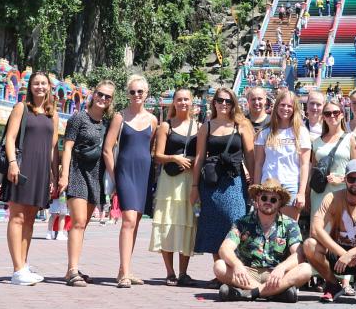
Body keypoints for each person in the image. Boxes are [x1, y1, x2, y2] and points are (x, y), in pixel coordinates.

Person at [1, 71, 59, 285]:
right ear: (30, 87)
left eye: (44, 84)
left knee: (31, 218)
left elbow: (54, 148)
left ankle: (24, 265)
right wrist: (12, 163)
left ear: (49, 87)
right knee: (17, 216)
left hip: (42, 170)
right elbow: (10, 138)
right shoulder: (21, 108)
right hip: (22, 166)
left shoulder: (53, 114)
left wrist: (55, 174)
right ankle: (17, 269)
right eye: (36, 83)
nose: (40, 87)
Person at [303, 160, 356, 303]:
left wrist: (351, 254)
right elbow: (316, 229)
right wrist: (342, 253)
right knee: (309, 245)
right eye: (351, 179)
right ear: (345, 180)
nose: (355, 183)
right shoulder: (331, 198)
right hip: (336, 253)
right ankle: (332, 284)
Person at [214, 178, 312, 301]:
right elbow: (225, 249)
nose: (268, 202)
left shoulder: (289, 224)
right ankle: (274, 293)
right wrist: (237, 265)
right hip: (247, 273)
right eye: (264, 198)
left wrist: (282, 268)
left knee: (306, 269)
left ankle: (245, 293)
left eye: (273, 199)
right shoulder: (242, 222)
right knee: (219, 266)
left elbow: (298, 255)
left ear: (280, 203)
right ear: (257, 200)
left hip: (275, 275)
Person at [191, 87, 256, 263]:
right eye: (220, 100)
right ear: (214, 103)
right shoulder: (207, 126)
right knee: (214, 224)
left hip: (234, 181)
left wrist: (255, 184)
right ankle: (220, 271)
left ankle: (234, 267)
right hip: (212, 183)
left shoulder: (241, 125)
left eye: (228, 101)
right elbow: (199, 157)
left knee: (234, 222)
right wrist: (195, 186)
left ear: (233, 103)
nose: (224, 104)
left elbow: (250, 156)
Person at [59, 81, 114, 286]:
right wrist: (64, 175)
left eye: (108, 97)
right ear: (93, 94)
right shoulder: (78, 118)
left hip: (96, 176)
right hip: (77, 172)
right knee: (78, 221)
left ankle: (71, 268)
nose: (103, 99)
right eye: (100, 94)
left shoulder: (106, 124)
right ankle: (73, 270)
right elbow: (68, 147)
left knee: (83, 225)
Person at [105, 74, 157, 288]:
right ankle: (124, 272)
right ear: (127, 94)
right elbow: (108, 149)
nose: (136, 95)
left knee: (134, 223)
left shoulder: (153, 120)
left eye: (140, 92)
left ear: (146, 94)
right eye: (132, 91)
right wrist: (114, 176)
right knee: (128, 220)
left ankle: (124, 269)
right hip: (124, 171)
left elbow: (152, 149)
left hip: (144, 173)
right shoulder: (120, 117)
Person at [150, 87, 199, 286]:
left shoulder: (199, 126)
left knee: (187, 223)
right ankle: (170, 272)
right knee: (167, 222)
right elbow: (157, 156)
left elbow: (201, 156)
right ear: (174, 103)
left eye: (186, 99)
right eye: (179, 99)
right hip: (170, 181)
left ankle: (184, 272)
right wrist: (175, 158)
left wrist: (193, 161)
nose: (183, 103)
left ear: (192, 102)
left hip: (189, 180)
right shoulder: (166, 126)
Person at [254, 89, 311, 220]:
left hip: (290, 186)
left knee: (288, 230)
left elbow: (304, 165)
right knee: (266, 227)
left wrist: (302, 192)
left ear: (295, 108)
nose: (285, 108)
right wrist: (256, 191)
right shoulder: (264, 132)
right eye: (282, 105)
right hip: (268, 185)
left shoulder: (301, 132)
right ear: (276, 106)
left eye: (289, 106)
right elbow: (258, 164)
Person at [309, 100, 356, 215]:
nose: (332, 116)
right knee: (318, 230)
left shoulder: (350, 138)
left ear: (342, 114)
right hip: (319, 194)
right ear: (323, 117)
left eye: (335, 112)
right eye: (327, 113)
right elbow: (313, 171)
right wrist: (307, 194)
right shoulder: (316, 142)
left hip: (342, 192)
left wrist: (341, 179)